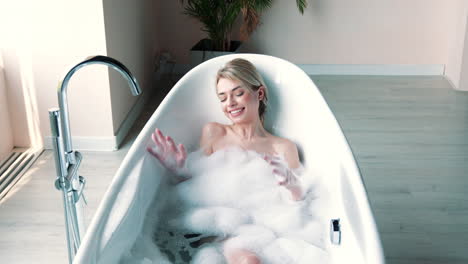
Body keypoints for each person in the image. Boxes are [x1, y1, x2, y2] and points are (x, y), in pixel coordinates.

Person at [147, 58, 304, 264]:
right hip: (208, 230)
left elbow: (300, 206)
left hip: (259, 229)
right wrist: (180, 172)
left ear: (260, 93)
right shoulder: (214, 133)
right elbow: (195, 191)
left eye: (238, 93)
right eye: (222, 97)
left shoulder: (283, 147)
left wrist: (293, 188)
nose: (230, 103)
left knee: (250, 261)